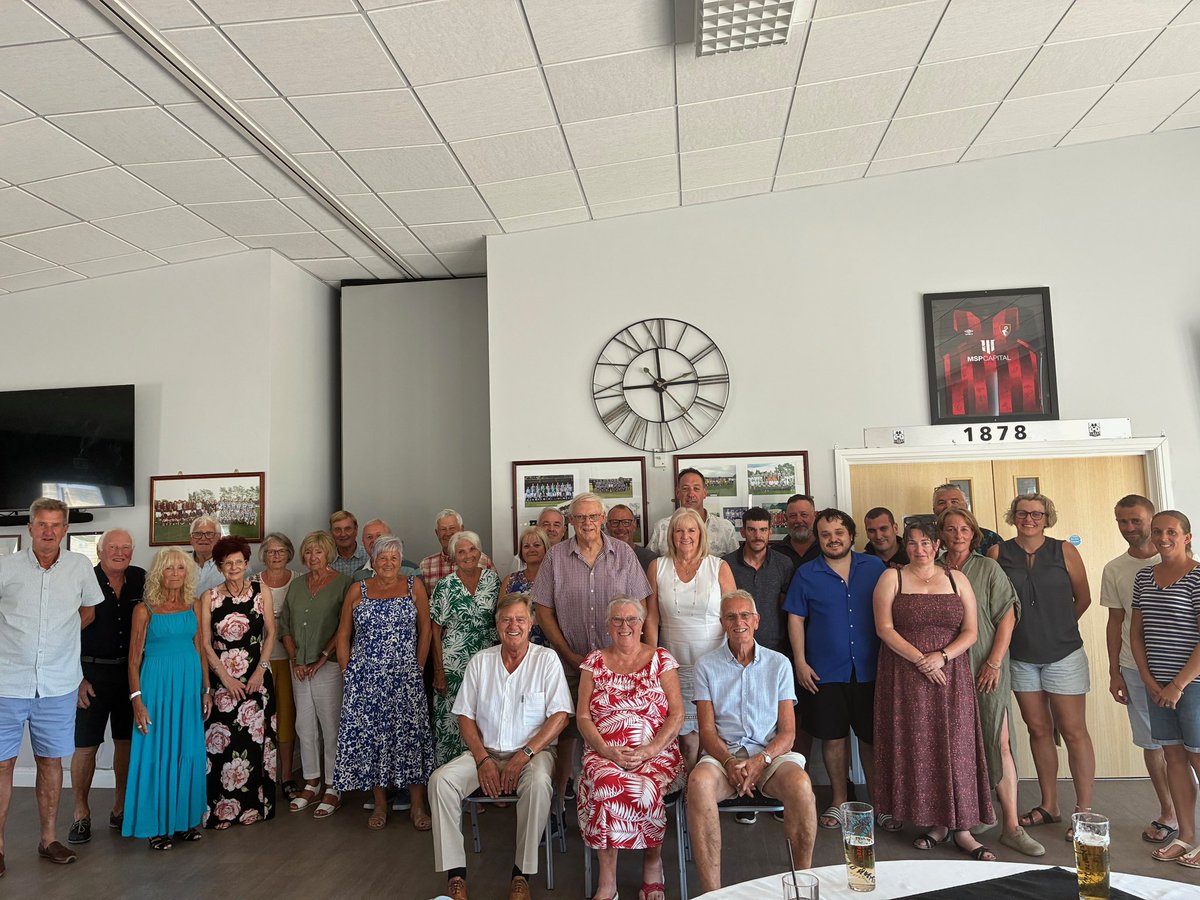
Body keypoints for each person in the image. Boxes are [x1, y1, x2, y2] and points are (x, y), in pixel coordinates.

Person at [429, 594, 572, 900]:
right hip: (486, 754)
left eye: (520, 619)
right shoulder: (482, 661)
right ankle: (456, 876)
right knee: (441, 781)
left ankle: (522, 876)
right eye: (506, 620)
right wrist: (482, 759)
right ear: (497, 626)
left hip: (534, 755)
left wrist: (526, 754)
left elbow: (560, 716)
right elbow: (464, 716)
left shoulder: (546, 660)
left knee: (538, 784)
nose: (514, 626)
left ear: (531, 623)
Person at [873, 521, 996, 860]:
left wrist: (941, 657)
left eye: (925, 542)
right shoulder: (891, 577)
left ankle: (963, 829)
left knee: (957, 746)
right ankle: (935, 824)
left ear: (938, 544)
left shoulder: (958, 578)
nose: (919, 549)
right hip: (905, 675)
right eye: (912, 543)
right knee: (921, 748)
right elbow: (884, 628)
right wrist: (920, 660)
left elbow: (971, 631)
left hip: (952, 675)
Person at [687, 590, 816, 895]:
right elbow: (706, 732)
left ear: (756, 621)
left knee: (801, 785)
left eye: (745, 615)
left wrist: (761, 761)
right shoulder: (705, 665)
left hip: (770, 754)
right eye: (731, 616)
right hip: (724, 755)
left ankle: (800, 886)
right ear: (722, 623)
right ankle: (711, 893)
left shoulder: (779, 663)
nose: (738, 622)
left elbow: (787, 734)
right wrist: (730, 762)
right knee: (699, 783)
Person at [0, 498, 103, 870]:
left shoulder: (79, 567)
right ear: (29, 528)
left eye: (56, 525)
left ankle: (49, 840)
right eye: (42, 524)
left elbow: (89, 611)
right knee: (2, 765)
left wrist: (60, 639)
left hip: (58, 684)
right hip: (6, 684)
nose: (48, 531)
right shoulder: (5, 566)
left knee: (50, 762)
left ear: (65, 530)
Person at [988, 492, 1096, 840]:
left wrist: (1058, 625)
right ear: (1013, 516)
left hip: (1064, 654)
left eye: (1036, 513)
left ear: (1047, 517)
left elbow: (1084, 597)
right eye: (1022, 513)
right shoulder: (997, 553)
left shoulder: (1064, 550)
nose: (1029, 519)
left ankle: (1084, 810)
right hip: (1020, 657)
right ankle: (1050, 804)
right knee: (1038, 730)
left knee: (1073, 730)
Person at [533, 492, 652, 804]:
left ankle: (619, 804)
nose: (587, 522)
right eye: (580, 517)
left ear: (602, 519)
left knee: (619, 734)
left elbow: (641, 606)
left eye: (592, 516)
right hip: (570, 664)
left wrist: (638, 653)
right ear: (571, 521)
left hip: (620, 669)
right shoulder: (554, 557)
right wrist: (567, 652)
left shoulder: (624, 554)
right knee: (565, 737)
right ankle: (558, 809)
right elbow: (543, 610)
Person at [939, 508, 1043, 856]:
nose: (958, 535)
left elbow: (1007, 616)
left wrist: (995, 662)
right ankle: (959, 820)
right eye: (950, 529)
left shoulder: (987, 568)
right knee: (952, 747)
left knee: (998, 741)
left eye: (964, 529)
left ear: (974, 533)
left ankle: (1011, 825)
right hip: (944, 673)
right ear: (941, 534)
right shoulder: (933, 568)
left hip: (985, 667)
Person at [785, 508, 892, 831]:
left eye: (838, 533)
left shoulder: (875, 568)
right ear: (819, 539)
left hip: (872, 670)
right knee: (833, 739)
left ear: (851, 535)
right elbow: (796, 618)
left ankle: (881, 803)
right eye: (826, 535)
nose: (833, 539)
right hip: (824, 671)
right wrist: (800, 662)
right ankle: (840, 800)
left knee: (872, 739)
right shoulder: (806, 573)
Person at [577, 596, 683, 900]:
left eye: (631, 619)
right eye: (617, 620)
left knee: (646, 784)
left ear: (641, 624)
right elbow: (583, 716)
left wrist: (650, 750)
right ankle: (607, 883)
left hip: (655, 751)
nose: (625, 626)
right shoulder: (593, 662)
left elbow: (676, 714)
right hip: (603, 751)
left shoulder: (661, 659)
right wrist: (606, 750)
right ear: (608, 626)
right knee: (606, 782)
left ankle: (652, 865)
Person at [334, 536, 434, 831]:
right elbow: (343, 634)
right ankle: (379, 803)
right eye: (382, 558)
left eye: (394, 558)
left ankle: (417, 805)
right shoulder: (357, 589)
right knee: (373, 740)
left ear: (401, 560)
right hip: (365, 679)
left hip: (405, 677)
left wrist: (418, 666)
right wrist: (346, 671)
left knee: (410, 738)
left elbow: (426, 629)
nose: (388, 563)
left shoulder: (414, 586)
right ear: (373, 561)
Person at [123, 548, 210, 849]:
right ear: (159, 572)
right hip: (156, 688)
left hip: (188, 687)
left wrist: (206, 689)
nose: (175, 573)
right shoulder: (144, 609)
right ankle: (155, 827)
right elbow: (133, 659)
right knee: (157, 753)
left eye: (180, 568)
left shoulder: (194, 605)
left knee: (187, 751)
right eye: (169, 568)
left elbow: (200, 649)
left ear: (188, 573)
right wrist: (137, 700)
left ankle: (183, 821)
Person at [1101, 494, 1176, 844]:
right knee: (1153, 744)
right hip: (1136, 669)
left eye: (1136, 521)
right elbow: (1115, 622)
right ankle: (1169, 814)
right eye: (1122, 522)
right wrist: (1115, 671)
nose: (1129, 528)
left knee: (1193, 746)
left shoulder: (1185, 564)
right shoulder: (1115, 569)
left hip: (1184, 672)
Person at [1131, 509, 1200, 866]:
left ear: (1187, 536)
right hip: (1157, 686)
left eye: (1171, 531)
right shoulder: (1144, 578)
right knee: (1174, 757)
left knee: (1198, 758)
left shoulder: (1199, 576)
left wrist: (1178, 684)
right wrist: (1147, 678)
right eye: (1158, 531)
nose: (1163, 537)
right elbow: (1136, 632)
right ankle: (1187, 836)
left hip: (1193, 686)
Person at [645, 507, 736, 769]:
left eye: (692, 530)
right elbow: (651, 618)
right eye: (679, 530)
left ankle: (712, 793)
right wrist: (652, 662)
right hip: (673, 666)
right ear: (671, 535)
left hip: (716, 666)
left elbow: (733, 615)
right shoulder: (657, 567)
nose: (685, 536)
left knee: (714, 736)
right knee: (686, 739)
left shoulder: (719, 566)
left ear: (701, 534)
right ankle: (688, 794)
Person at [70, 528, 145, 844]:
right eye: (112, 547)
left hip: (129, 676)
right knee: (86, 746)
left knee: (126, 743)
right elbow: (64, 630)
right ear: (99, 552)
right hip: (90, 676)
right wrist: (76, 678)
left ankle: (120, 808)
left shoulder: (141, 579)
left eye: (126, 547)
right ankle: (80, 814)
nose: (119, 552)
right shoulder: (82, 579)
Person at [199, 536, 277, 828]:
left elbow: (271, 633)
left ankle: (254, 809)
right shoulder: (210, 596)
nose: (233, 567)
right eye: (227, 563)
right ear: (219, 567)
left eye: (238, 562)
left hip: (257, 679)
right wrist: (225, 677)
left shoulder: (262, 591)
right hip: (224, 681)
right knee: (222, 745)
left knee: (255, 743)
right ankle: (222, 811)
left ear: (246, 563)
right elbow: (205, 644)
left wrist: (260, 671)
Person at [280, 531, 352, 818]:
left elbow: (345, 627)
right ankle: (312, 781)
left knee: (330, 725)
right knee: (304, 725)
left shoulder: (344, 584)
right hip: (298, 666)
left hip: (329, 666)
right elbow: (285, 625)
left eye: (318, 552)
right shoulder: (296, 586)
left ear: (328, 554)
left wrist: (322, 658)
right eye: (308, 552)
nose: (313, 557)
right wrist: (296, 658)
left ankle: (334, 786)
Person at [430, 530, 501, 766]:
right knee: (452, 722)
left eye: (472, 549)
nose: (468, 555)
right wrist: (438, 671)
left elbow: (500, 619)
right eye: (461, 551)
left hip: (488, 659)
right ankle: (453, 786)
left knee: (486, 718)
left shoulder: (492, 580)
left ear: (480, 552)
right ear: (453, 557)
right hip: (454, 664)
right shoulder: (445, 585)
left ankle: (488, 781)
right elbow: (435, 630)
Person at [256, 532, 299, 800]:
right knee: (258, 718)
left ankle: (286, 776)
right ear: (263, 554)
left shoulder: (298, 581)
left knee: (285, 716)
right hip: (258, 660)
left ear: (289, 554)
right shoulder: (252, 582)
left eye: (281, 551)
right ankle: (261, 774)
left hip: (288, 658)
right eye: (271, 551)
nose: (275, 556)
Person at [648, 469, 740, 557]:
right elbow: (648, 564)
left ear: (704, 493)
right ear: (678, 493)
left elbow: (736, 566)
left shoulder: (725, 528)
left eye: (696, 488)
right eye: (685, 489)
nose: (691, 494)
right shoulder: (661, 528)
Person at [420, 509, 495, 593]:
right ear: (437, 533)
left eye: (452, 528)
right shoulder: (426, 565)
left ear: (462, 529)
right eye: (443, 529)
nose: (448, 533)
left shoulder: (483, 560)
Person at [501, 526, 551, 646]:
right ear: (521, 552)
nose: (531, 549)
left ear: (546, 548)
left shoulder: (555, 579)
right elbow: (501, 616)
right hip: (516, 644)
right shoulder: (510, 580)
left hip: (549, 644)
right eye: (526, 546)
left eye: (537, 545)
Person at [934, 484, 1001, 554]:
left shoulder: (990, 539)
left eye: (954, 502)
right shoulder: (926, 539)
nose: (948, 506)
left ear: (966, 506)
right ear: (934, 510)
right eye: (941, 503)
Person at [351, 518, 420, 579]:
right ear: (363, 542)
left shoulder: (411, 570)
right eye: (369, 537)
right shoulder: (358, 575)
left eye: (379, 536)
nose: (375, 541)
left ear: (390, 539)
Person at [509, 508, 569, 573]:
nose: (551, 529)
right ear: (537, 528)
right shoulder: (520, 560)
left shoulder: (572, 557)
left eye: (556, 525)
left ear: (563, 530)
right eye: (546, 524)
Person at [771, 494, 821, 568]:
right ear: (786, 518)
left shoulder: (825, 549)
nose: (798, 520)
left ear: (814, 516)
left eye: (804, 514)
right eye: (793, 516)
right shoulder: (775, 553)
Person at [607, 503, 657, 573]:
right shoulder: (598, 558)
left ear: (634, 525)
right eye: (615, 522)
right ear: (607, 526)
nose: (621, 528)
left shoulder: (650, 560)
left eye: (626, 522)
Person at [189, 514, 224, 595]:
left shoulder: (232, 566)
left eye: (209, 533)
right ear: (190, 539)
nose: (203, 538)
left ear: (218, 538)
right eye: (197, 534)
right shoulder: (180, 564)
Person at [329, 510, 369, 578]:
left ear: (356, 530)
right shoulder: (326, 560)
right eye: (338, 530)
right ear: (331, 532)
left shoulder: (369, 556)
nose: (343, 534)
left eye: (348, 529)